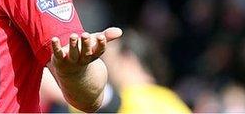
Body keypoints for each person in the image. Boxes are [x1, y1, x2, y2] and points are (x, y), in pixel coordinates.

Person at [40, 29, 190, 113]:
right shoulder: (172, 100)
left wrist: (64, 82)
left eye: (106, 61)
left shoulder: (138, 98)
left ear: (127, 58)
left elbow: (110, 101)